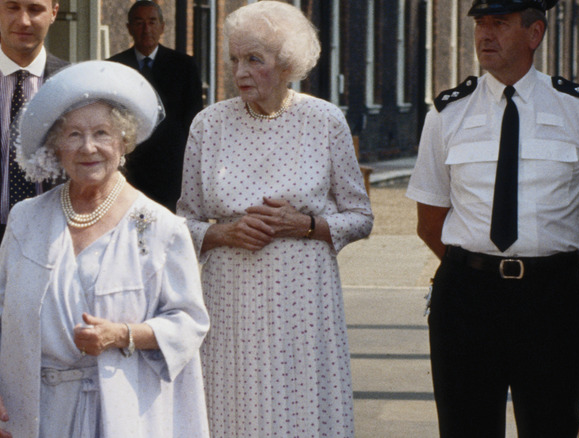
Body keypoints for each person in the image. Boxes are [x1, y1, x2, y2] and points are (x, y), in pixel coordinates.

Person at [406, 0, 579, 436]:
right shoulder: (447, 113)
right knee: (466, 427)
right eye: (480, 23)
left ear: (534, 34)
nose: (484, 34)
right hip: (467, 299)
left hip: (552, 300)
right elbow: (429, 221)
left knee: (551, 426)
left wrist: (552, 266)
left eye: (499, 23)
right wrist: (479, 269)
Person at [176, 1, 373, 436]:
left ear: (286, 64)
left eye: (254, 59)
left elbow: (360, 217)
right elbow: (182, 224)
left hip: (303, 301)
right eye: (234, 59)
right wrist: (223, 233)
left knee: (299, 412)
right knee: (234, 410)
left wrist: (302, 226)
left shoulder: (324, 121)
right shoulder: (208, 125)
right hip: (230, 300)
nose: (240, 71)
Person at [0, 60, 210, 437]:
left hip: (122, 412)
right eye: (74, 135)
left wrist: (122, 334)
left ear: (124, 141)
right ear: (56, 145)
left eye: (102, 133)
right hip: (34, 412)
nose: (88, 147)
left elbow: (189, 323)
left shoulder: (161, 228)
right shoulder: (25, 219)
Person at [109, 0, 203, 211]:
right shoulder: (114, 66)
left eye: (152, 22)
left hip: (171, 170)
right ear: (129, 28)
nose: (146, 29)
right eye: (139, 22)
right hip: (129, 168)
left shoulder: (184, 66)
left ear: (162, 26)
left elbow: (193, 120)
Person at [0, 0, 68, 241]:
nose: (23, 20)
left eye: (35, 9)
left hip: (53, 237)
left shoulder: (73, 87)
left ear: (54, 12)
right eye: (12, 7)